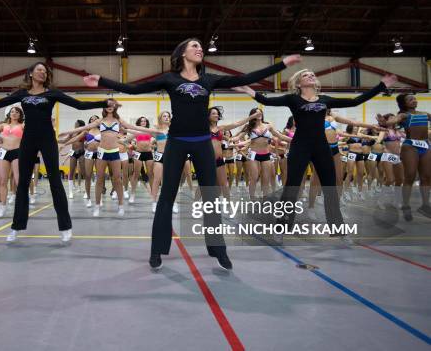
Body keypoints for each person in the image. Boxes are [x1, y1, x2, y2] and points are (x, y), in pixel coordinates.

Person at [84, 37, 300, 270]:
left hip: (202, 143)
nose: (200, 49)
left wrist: (283, 64)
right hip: (177, 142)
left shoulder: (209, 79)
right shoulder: (170, 79)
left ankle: (218, 249)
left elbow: (246, 78)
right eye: (194, 46)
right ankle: (157, 249)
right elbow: (134, 89)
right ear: (182, 53)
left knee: (211, 196)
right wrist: (101, 80)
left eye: (201, 46)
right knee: (167, 196)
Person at [0, 62, 114, 243]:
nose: (42, 72)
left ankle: (65, 226)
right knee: (22, 184)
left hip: (47, 140)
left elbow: (79, 105)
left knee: (55, 182)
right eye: (39, 70)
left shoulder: (52, 93)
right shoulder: (22, 94)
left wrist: (104, 103)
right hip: (28, 141)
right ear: (31, 74)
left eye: (45, 70)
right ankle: (16, 227)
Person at [234, 71, 397, 243]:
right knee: (292, 187)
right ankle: (281, 227)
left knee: (330, 188)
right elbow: (266, 100)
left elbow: (355, 101)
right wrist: (248, 90)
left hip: (321, 147)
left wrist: (382, 86)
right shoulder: (292, 99)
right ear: (298, 83)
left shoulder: (324, 99)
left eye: (312, 74)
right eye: (306, 75)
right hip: (300, 146)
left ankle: (338, 230)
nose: (311, 75)